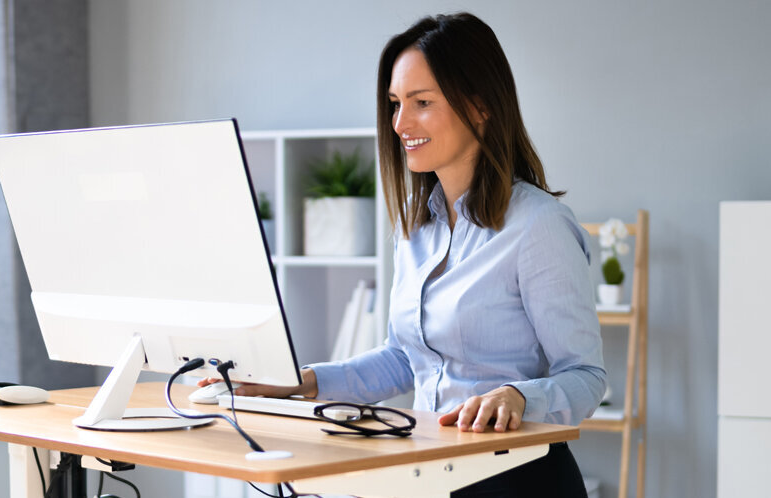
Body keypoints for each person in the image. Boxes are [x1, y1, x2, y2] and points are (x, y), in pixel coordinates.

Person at [206, 12, 605, 497]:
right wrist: (299, 382)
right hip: (430, 472)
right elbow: (403, 360)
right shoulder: (416, 229)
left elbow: (585, 377)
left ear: (479, 106)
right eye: (396, 104)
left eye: (421, 103)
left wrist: (520, 396)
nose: (400, 123)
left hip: (516, 479)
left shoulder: (537, 226)